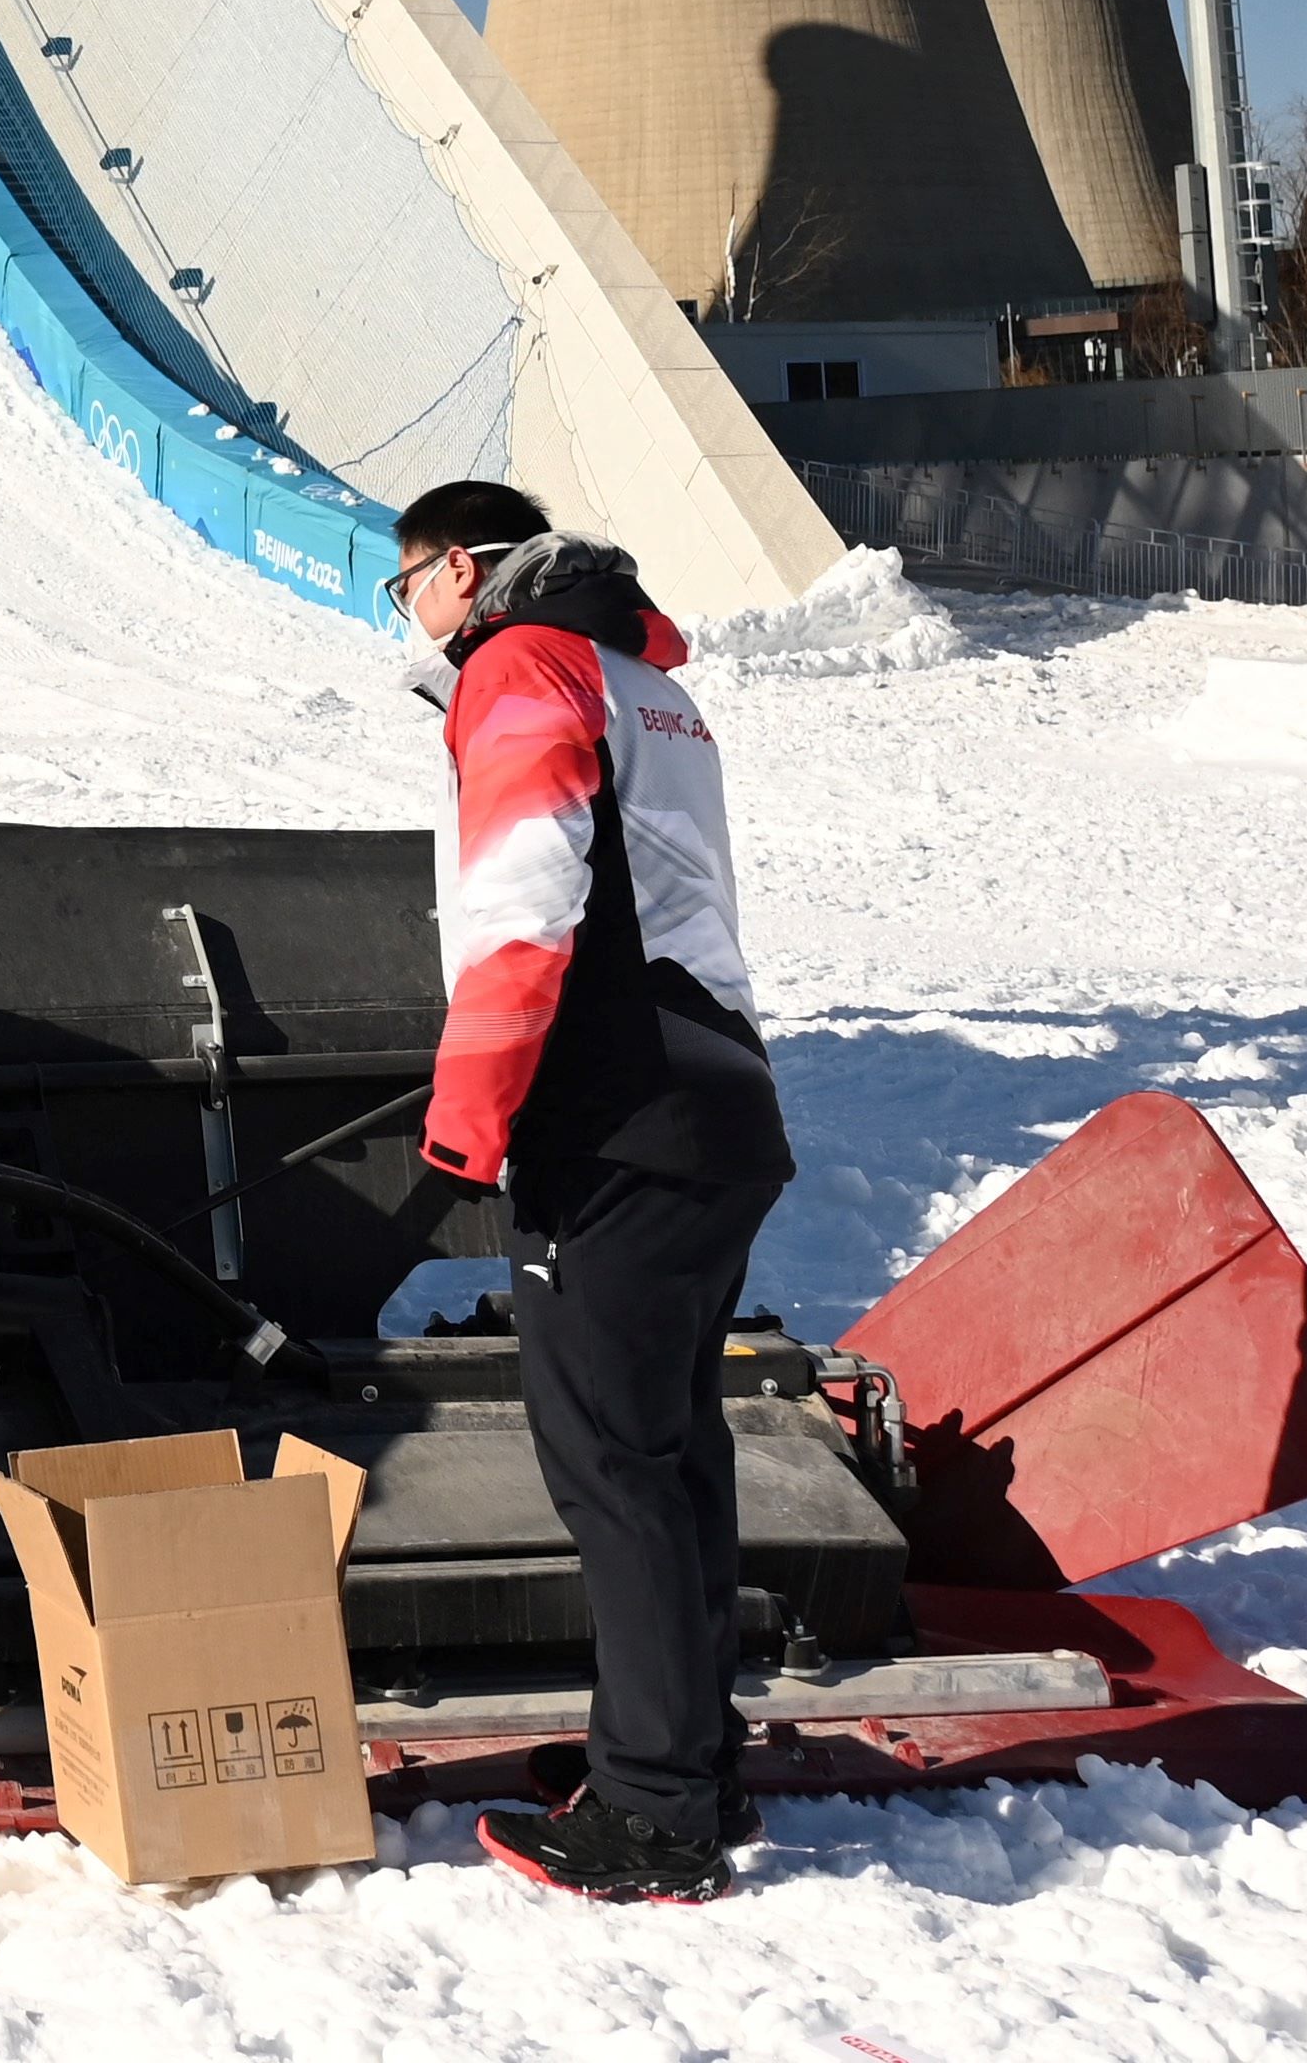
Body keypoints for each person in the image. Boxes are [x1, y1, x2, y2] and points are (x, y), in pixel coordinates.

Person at [390, 476, 797, 1907]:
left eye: (408, 586)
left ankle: (658, 1816)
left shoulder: (521, 666)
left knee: (614, 1475)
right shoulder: (640, 675)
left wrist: (468, 1122)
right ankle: (683, 1760)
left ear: (460, 570)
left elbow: (527, 899)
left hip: (611, 1118)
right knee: (674, 1459)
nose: (413, 615)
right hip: (715, 1105)